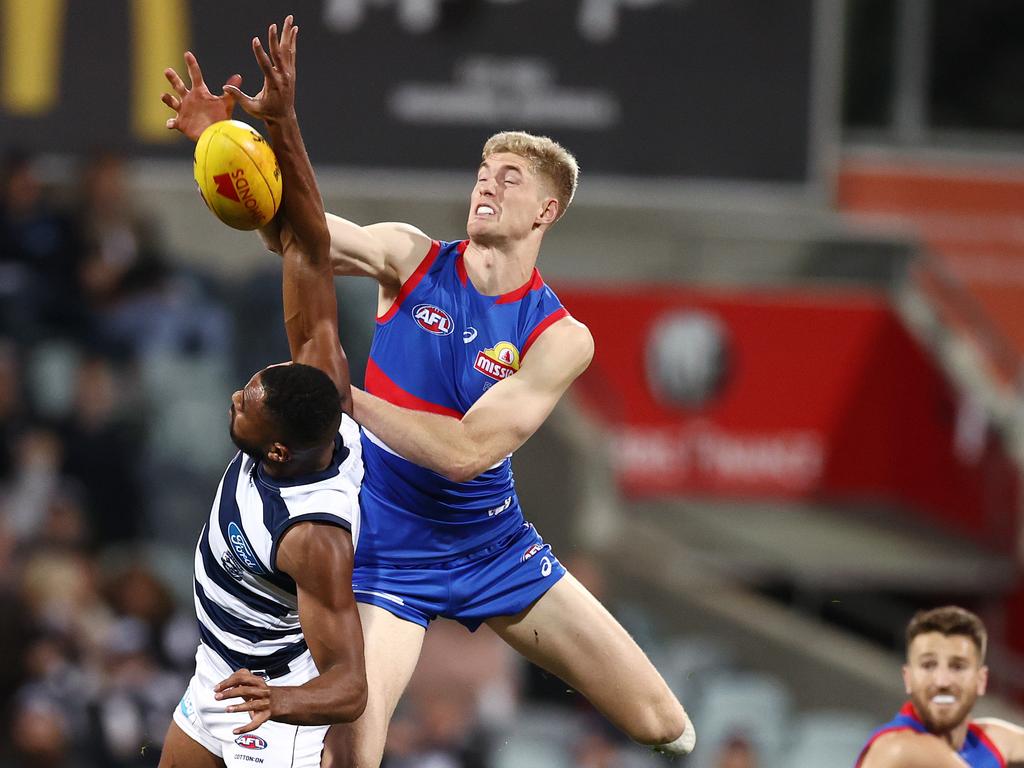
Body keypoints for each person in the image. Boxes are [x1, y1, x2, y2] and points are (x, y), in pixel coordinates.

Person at [162, 28, 695, 766]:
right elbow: (300, 237)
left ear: (546, 213)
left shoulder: (561, 336)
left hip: (492, 545)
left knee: (666, 725)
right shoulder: (410, 257)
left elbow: (467, 452)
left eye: (511, 177)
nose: (488, 182)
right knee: (348, 761)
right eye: (484, 169)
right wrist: (221, 138)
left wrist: (349, 401)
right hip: (385, 550)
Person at [158, 18, 367, 767]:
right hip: (219, 672)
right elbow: (309, 245)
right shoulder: (320, 387)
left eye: (247, 404)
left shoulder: (314, 538)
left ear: (277, 449)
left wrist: (275, 704)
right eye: (250, 386)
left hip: (268, 708)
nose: (235, 399)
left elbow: (348, 685)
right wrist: (274, 124)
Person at [856, 605, 1024, 767]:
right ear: (908, 679)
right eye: (928, 665)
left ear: (981, 680)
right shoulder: (896, 749)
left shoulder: (990, 740)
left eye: (958, 666)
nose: (942, 681)